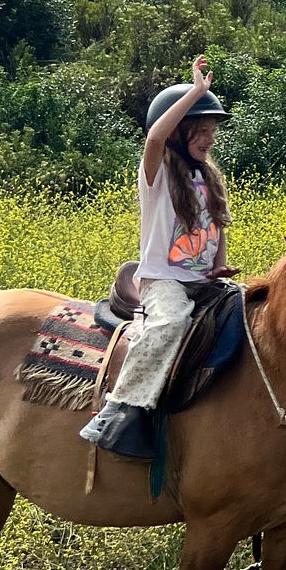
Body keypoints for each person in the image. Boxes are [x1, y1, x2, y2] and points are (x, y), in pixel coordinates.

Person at [79, 56, 233, 458]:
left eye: (211, 131)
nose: (209, 139)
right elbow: (153, 139)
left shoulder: (208, 178)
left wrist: (218, 268)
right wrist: (197, 91)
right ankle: (119, 411)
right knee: (169, 323)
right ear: (179, 133)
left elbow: (215, 229)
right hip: (163, 280)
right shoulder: (158, 174)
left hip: (201, 280)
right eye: (199, 131)